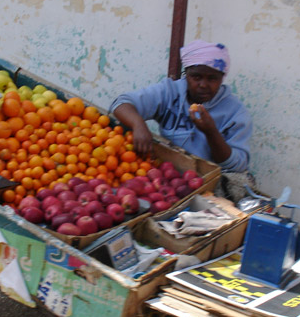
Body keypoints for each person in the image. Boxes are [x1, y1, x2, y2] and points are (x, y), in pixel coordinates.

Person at [109, 40, 254, 202]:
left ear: (222, 79)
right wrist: (139, 124)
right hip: (168, 177)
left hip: (209, 188)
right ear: (186, 74)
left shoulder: (235, 113)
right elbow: (121, 103)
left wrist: (211, 131)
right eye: (196, 77)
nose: (203, 85)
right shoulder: (170, 92)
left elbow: (236, 166)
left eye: (212, 79)